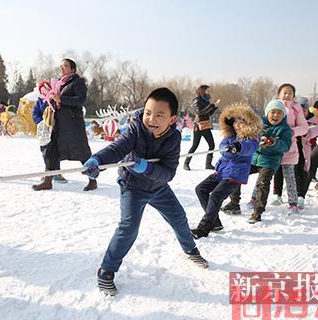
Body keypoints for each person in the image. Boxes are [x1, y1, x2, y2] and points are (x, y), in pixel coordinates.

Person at [82, 88, 208, 296]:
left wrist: (147, 168)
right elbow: (118, 147)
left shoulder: (174, 138)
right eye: (148, 112)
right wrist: (98, 160)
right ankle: (106, 270)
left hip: (158, 186)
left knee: (178, 217)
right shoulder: (135, 129)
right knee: (128, 227)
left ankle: (190, 249)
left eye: (159, 115)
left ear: (172, 119)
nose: (151, 119)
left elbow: (168, 173)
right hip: (133, 186)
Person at [191, 103, 262, 238]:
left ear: (249, 123)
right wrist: (231, 148)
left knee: (216, 195)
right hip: (221, 171)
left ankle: (204, 227)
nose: (237, 125)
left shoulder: (252, 139)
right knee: (201, 189)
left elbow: (248, 148)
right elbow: (223, 147)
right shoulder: (230, 136)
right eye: (235, 122)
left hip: (235, 175)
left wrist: (238, 147)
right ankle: (215, 222)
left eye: (242, 122)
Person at [221, 100, 292, 223]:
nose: (275, 115)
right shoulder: (258, 123)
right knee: (236, 174)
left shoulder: (285, 129)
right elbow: (247, 132)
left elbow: (286, 146)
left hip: (270, 160)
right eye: (273, 112)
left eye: (279, 113)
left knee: (263, 184)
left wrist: (274, 142)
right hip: (254, 157)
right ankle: (234, 203)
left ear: (284, 115)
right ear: (267, 113)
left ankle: (257, 211)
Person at [32, 58, 96, 191]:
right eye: (60, 66)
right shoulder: (59, 84)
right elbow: (56, 101)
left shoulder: (78, 82)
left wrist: (60, 98)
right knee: (51, 151)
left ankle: (93, 180)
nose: (61, 68)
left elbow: (80, 100)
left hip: (73, 126)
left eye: (65, 66)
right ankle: (48, 181)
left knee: (83, 153)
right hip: (59, 125)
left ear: (72, 69)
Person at [270, 84, 309, 214]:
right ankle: (275, 194)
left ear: (294, 96)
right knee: (273, 169)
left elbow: (304, 127)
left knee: (291, 172)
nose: (287, 95)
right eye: (284, 93)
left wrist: (291, 132)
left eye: (290, 93)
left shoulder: (296, 109)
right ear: (278, 94)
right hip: (273, 143)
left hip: (291, 143)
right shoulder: (273, 106)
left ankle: (294, 201)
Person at [32, 80, 67, 183]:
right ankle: (47, 173)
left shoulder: (54, 99)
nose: (45, 91)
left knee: (55, 151)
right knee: (45, 151)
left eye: (47, 88)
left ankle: (56, 172)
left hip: (55, 129)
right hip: (44, 130)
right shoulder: (39, 101)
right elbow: (35, 113)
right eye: (43, 89)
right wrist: (41, 122)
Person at [183, 85, 220, 170]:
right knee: (195, 146)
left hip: (206, 125)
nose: (209, 92)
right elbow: (200, 113)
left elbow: (209, 114)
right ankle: (186, 164)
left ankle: (208, 164)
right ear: (202, 90)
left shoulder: (207, 100)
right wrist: (212, 106)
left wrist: (215, 107)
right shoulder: (197, 100)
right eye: (207, 90)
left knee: (212, 145)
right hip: (198, 126)